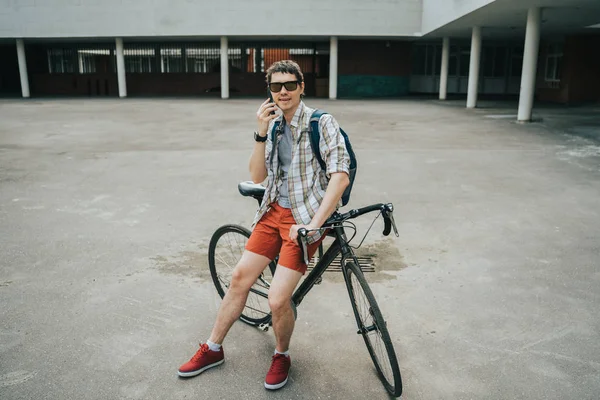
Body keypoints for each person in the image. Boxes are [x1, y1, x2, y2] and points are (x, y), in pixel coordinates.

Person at [178, 60, 351, 390]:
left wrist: (313, 225)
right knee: (240, 277)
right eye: (275, 87)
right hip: (272, 212)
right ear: (269, 91)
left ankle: (282, 353)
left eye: (289, 85)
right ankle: (213, 348)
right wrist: (259, 133)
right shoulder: (274, 127)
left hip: (304, 219)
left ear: (302, 87)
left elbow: (339, 177)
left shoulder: (322, 122)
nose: (282, 92)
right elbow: (258, 176)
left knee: (276, 300)